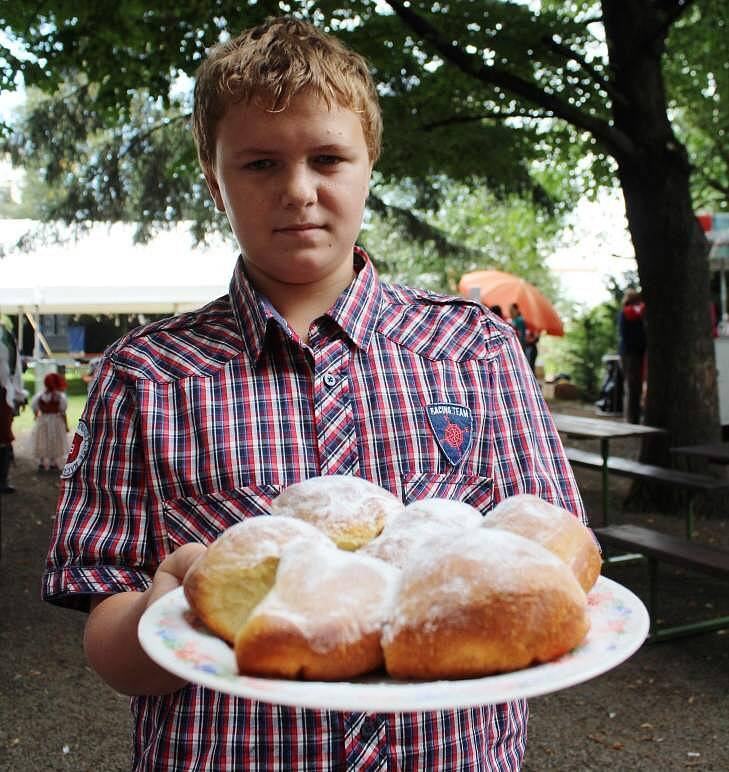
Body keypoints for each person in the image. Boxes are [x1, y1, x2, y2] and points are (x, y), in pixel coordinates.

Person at [42, 17, 586, 771]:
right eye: (260, 164)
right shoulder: (144, 376)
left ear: (370, 165)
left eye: (328, 158)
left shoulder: (476, 352)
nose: (298, 191)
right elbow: (109, 636)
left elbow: (557, 568)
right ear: (213, 179)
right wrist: (171, 600)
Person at [0, 323, 27, 494]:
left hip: (2, 394)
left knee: (3, 437)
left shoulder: (5, 336)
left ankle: (2, 479)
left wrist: (18, 395)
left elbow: (13, 369)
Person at [618, 288, 646, 424]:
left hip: (631, 353)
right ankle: (631, 419)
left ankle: (632, 417)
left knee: (633, 387)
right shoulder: (631, 311)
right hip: (632, 354)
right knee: (633, 387)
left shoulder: (628, 312)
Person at [31, 371, 69, 471]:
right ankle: (53, 461)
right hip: (56, 420)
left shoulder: (39, 396)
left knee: (42, 439)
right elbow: (63, 411)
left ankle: (42, 461)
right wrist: (66, 425)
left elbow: (35, 408)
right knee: (54, 439)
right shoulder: (60, 397)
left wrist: (36, 416)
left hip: (43, 420)